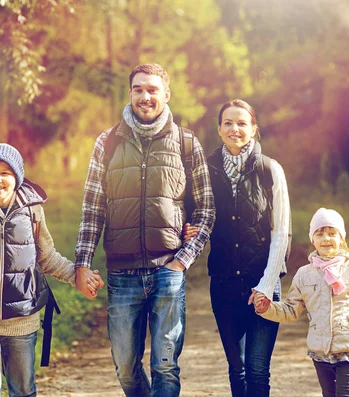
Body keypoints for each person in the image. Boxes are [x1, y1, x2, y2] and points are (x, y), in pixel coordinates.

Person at [75, 63, 215, 397]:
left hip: (168, 269)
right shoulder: (107, 142)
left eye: (152, 89)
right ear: (130, 94)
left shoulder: (186, 142)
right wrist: (82, 264)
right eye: (138, 89)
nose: (145, 96)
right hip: (122, 273)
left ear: (166, 94)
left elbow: (207, 208)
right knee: (125, 365)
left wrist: (183, 259)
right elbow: (92, 208)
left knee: (165, 365)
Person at [0, 143, 104, 397]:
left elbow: (47, 258)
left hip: (22, 321)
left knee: (23, 390)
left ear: (17, 177)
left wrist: (77, 276)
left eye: (5, 172)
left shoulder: (33, 213)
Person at [253, 208, 349, 397]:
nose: (326, 238)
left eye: (332, 233)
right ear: (313, 240)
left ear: (341, 238)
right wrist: (267, 308)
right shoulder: (304, 275)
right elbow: (290, 310)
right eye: (320, 234)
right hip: (320, 352)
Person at [202, 99, 290, 397]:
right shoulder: (207, 170)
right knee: (236, 367)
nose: (235, 128)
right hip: (224, 283)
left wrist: (266, 285)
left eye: (242, 123)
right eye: (228, 122)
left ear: (254, 129)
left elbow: (281, 232)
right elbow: (198, 216)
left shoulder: (270, 170)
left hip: (263, 282)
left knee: (256, 368)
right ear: (219, 129)